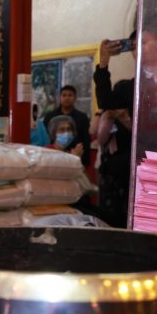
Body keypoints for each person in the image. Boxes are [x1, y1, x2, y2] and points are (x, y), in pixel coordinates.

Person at [94, 34, 137, 229]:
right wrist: (103, 62)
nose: (139, 49)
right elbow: (105, 102)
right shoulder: (126, 87)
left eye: (145, 42)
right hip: (121, 172)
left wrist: (130, 122)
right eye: (135, 45)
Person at [42, 85, 91, 167]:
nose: (67, 98)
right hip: (53, 155)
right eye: (64, 95)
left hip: (76, 156)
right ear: (60, 98)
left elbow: (86, 140)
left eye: (70, 95)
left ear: (75, 98)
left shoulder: (82, 117)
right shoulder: (50, 116)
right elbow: (45, 136)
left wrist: (84, 162)